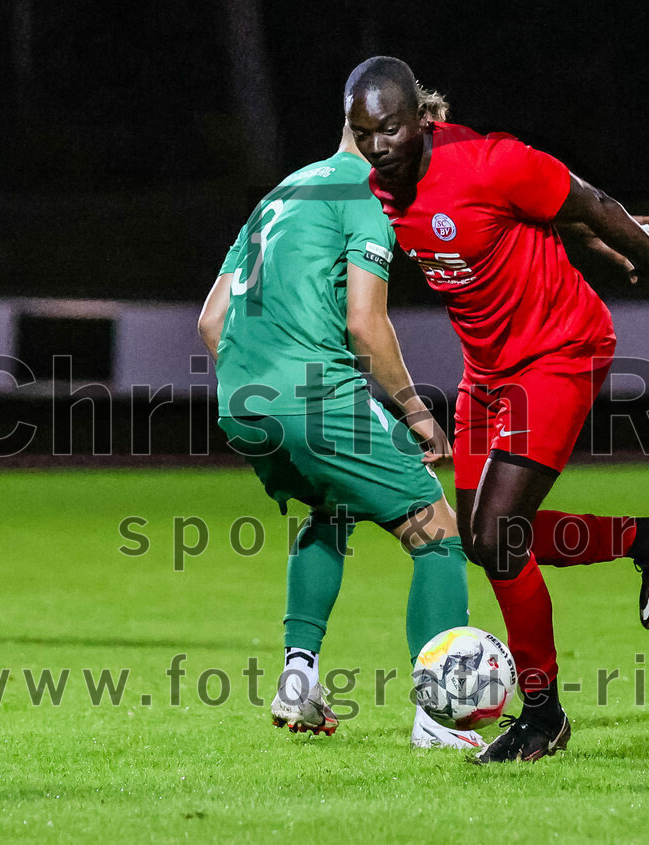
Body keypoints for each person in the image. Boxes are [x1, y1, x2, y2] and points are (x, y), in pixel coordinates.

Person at [344, 56, 649, 763]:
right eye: (363, 133)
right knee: (483, 540)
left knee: (500, 533)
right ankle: (648, 538)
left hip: (560, 349)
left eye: (389, 130)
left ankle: (543, 714)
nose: (378, 146)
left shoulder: (487, 160)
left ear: (421, 120)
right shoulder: (378, 188)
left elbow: (584, 200)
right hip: (488, 370)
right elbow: (518, 224)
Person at [197, 110, 485, 750]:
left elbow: (212, 320)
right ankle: (437, 718)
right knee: (438, 534)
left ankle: (299, 677)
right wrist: (414, 409)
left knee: (331, 509)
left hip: (241, 400)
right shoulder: (364, 196)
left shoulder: (283, 192)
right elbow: (365, 322)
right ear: (381, 131)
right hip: (314, 397)